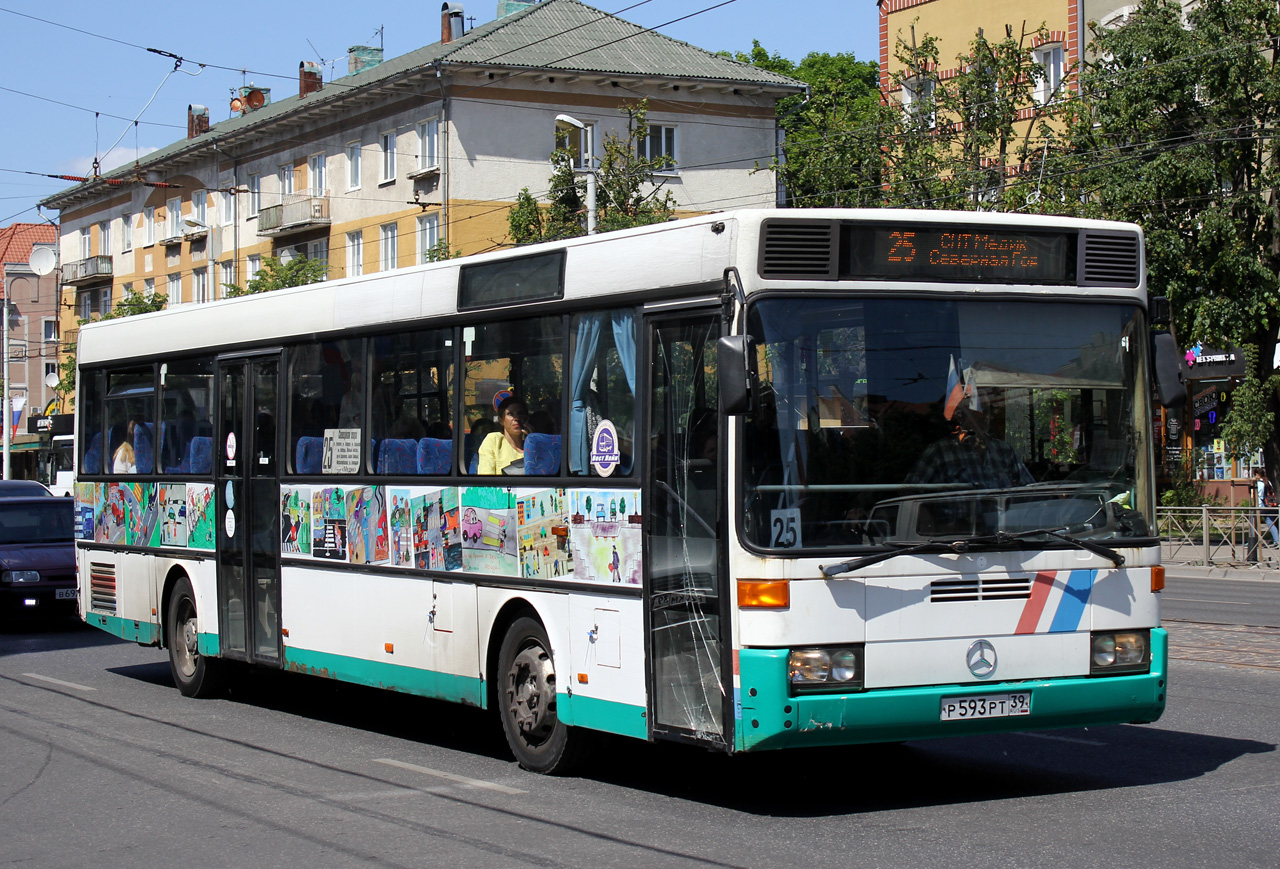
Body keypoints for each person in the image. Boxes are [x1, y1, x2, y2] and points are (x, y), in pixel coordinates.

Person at [906, 403, 1033, 490]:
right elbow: (910, 491)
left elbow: (1028, 488)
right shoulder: (940, 451)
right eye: (976, 412)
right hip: (958, 527)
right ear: (961, 417)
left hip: (1007, 527)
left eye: (987, 412)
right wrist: (934, 524)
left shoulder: (1003, 450)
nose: (984, 418)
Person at [479, 396, 529, 474]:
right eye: (510, 414)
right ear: (501, 420)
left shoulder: (532, 445)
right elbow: (486, 478)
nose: (516, 418)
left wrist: (532, 438)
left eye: (520, 413)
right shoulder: (494, 440)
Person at [1256, 469, 1280, 547]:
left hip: (1262, 506)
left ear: (1257, 475)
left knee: (1253, 520)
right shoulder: (1268, 482)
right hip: (1270, 505)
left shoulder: (1259, 483)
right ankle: (1277, 541)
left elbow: (1260, 496)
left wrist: (1258, 506)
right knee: (1270, 522)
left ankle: (1252, 540)